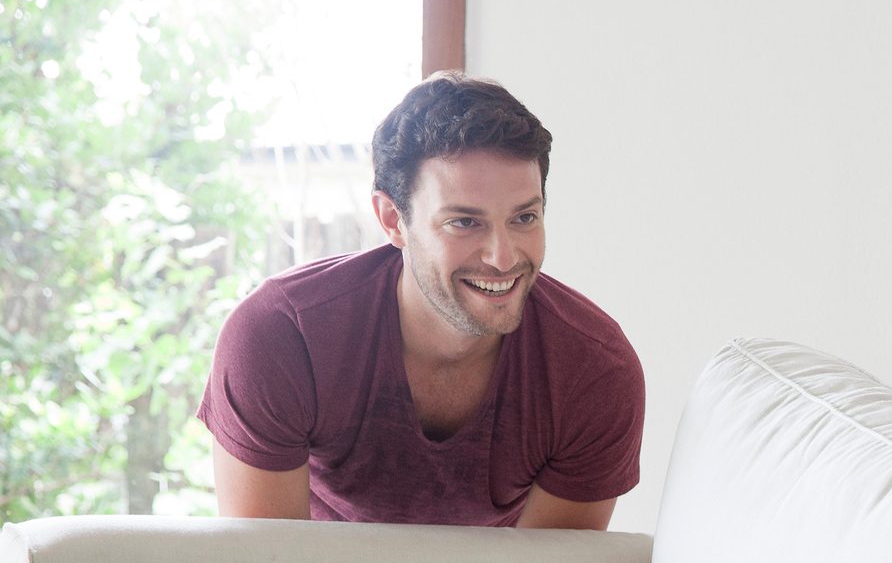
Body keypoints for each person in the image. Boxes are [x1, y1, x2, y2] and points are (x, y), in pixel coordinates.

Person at [198, 73, 646, 528]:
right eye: (464, 223)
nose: (503, 256)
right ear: (393, 220)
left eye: (524, 217)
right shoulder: (279, 337)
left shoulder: (594, 372)